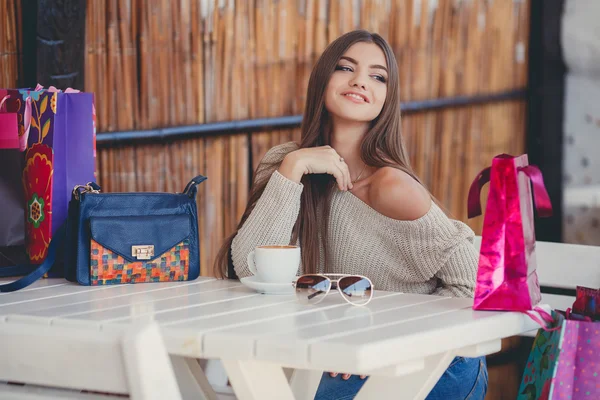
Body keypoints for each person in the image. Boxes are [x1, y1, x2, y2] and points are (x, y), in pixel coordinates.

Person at [214, 29, 487, 400]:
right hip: (349, 351)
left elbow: (473, 287)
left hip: (437, 357)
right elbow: (249, 268)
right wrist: (293, 169)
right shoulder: (286, 164)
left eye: (378, 76)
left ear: (386, 100)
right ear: (323, 79)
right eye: (346, 68)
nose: (360, 80)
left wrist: (379, 338)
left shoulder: (391, 186)